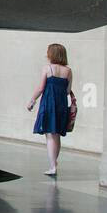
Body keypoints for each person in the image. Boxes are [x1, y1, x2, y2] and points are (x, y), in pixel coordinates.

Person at [27, 43, 76, 176]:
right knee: (57, 134)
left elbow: (41, 88)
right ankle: (54, 162)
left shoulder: (47, 68)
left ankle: (53, 166)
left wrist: (32, 100)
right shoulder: (68, 71)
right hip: (61, 104)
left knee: (50, 135)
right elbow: (67, 91)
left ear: (51, 54)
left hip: (49, 103)